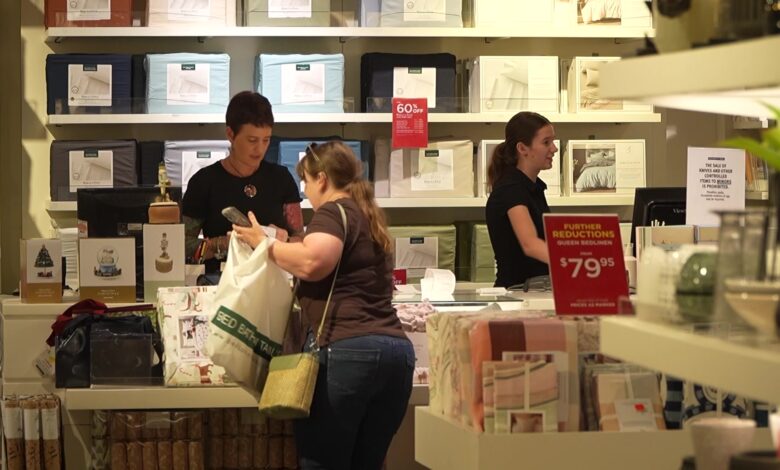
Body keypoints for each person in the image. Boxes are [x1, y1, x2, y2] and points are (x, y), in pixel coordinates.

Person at [232, 141, 414, 470]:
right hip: (396, 354)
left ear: (322, 179)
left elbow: (313, 261)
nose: (304, 190)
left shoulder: (333, 211)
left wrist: (264, 244)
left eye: (305, 181)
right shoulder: (367, 215)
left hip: (347, 351)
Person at [181, 91, 303, 273]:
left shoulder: (281, 177)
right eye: (252, 140)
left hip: (273, 279)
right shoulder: (204, 182)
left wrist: (284, 240)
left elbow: (300, 241)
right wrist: (224, 244)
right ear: (230, 134)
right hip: (222, 281)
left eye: (266, 140)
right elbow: (182, 247)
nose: (260, 149)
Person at [485, 111, 557, 288]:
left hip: (535, 290)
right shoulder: (511, 190)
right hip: (517, 293)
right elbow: (530, 244)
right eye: (546, 142)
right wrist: (579, 262)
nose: (554, 148)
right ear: (522, 148)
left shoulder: (533, 188)